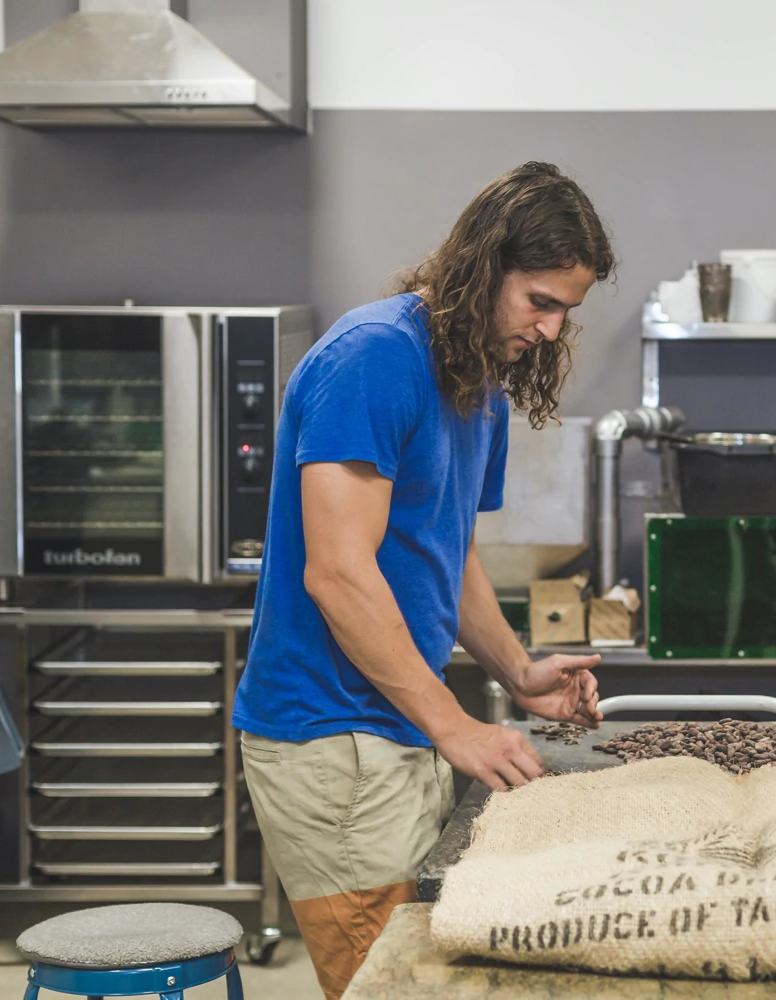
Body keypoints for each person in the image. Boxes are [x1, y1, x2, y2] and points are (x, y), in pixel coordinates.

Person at [233, 162, 613, 999]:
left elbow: (449, 553)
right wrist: (457, 727)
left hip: (396, 725)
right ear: (484, 268)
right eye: (539, 302)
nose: (551, 330)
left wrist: (516, 672)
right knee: (390, 986)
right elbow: (337, 575)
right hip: (331, 738)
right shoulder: (374, 358)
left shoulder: (479, 387)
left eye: (565, 312)